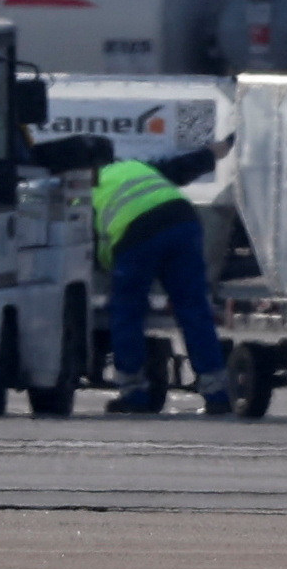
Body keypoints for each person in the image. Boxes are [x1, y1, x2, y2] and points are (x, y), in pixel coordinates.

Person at [86, 131, 224, 415]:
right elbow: (183, 167)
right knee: (194, 309)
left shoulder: (83, 191)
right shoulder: (135, 167)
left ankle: (134, 392)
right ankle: (217, 391)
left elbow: (90, 246)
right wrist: (219, 149)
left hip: (136, 236)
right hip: (183, 222)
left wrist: (106, 268)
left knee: (127, 312)